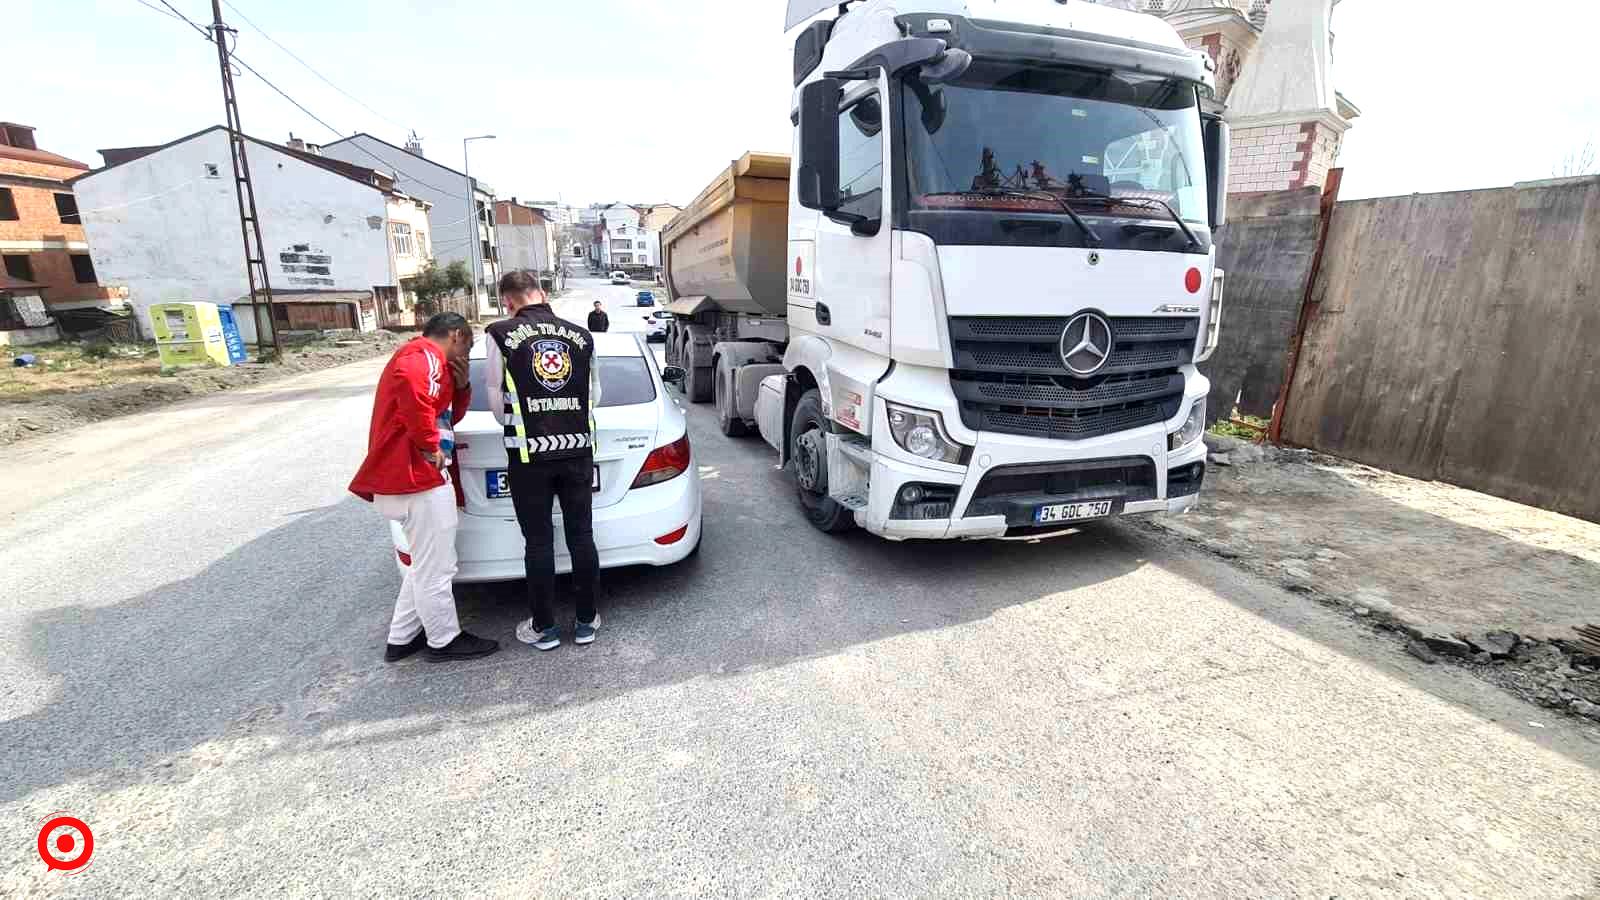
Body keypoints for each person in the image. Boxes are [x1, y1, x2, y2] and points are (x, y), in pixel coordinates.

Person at [349, 312, 500, 663]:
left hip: (411, 479)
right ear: (456, 335)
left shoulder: (431, 364)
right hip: (417, 479)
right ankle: (444, 640)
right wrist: (429, 445)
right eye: (467, 345)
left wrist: (461, 388)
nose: (465, 354)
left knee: (425, 564)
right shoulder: (421, 358)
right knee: (438, 568)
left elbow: (447, 415)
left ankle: (401, 637)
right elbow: (413, 389)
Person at [484, 271, 603, 651]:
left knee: (538, 541)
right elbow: (594, 395)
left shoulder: (500, 334)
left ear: (508, 301)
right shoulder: (582, 336)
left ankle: (545, 628)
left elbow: (495, 401)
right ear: (542, 293)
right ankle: (586, 622)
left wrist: (529, 423)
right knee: (581, 535)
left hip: (528, 456)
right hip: (577, 450)